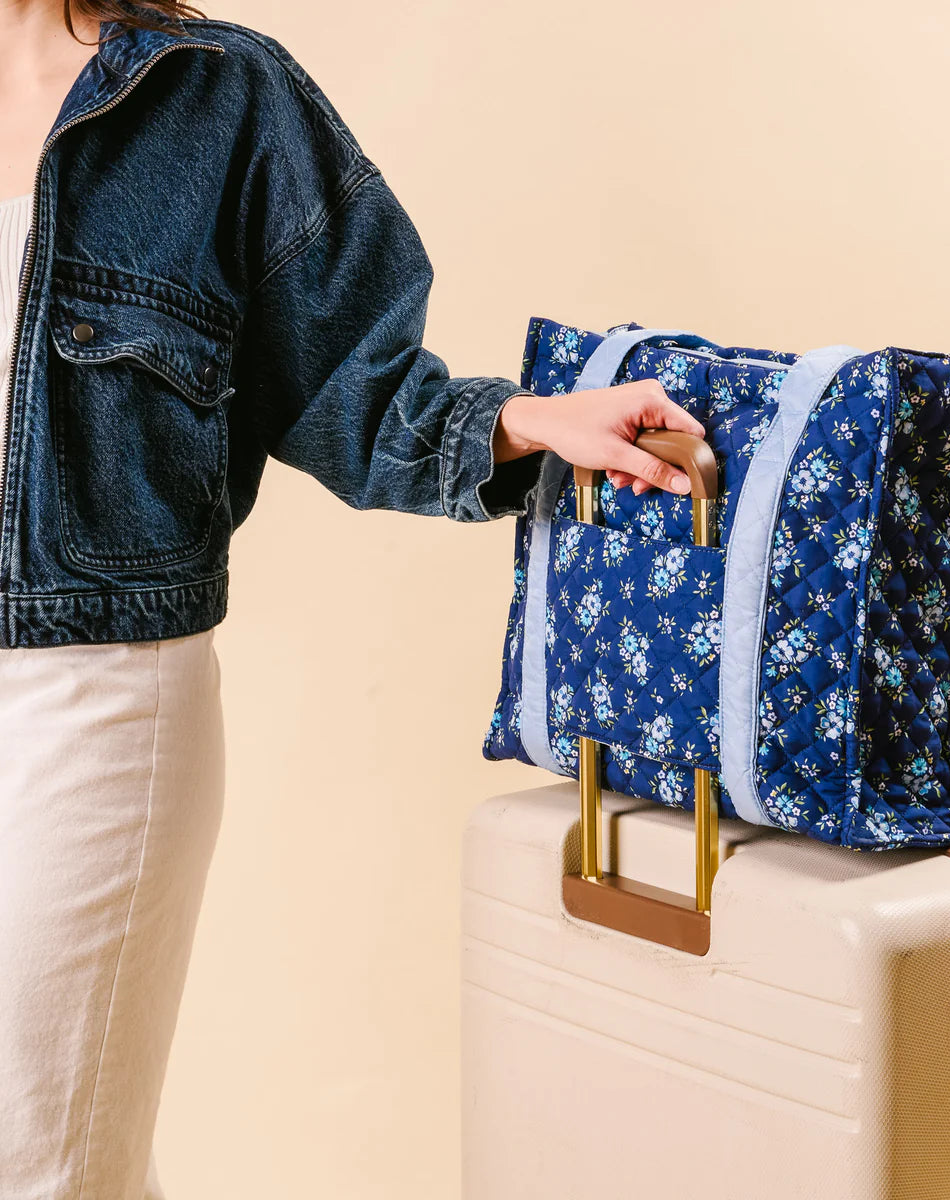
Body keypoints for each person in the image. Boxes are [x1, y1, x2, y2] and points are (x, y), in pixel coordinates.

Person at [0, 1, 704, 1194]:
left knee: (41, 1155)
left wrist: (517, 421)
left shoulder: (216, 95)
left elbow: (350, 383)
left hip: (89, 695)